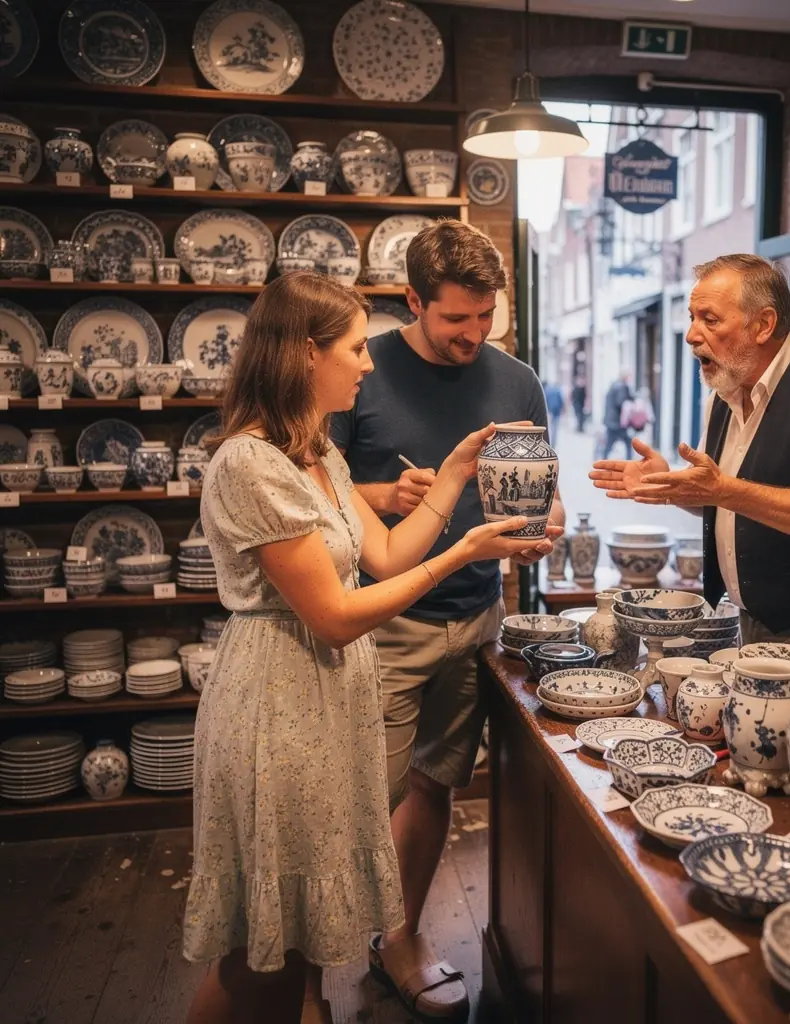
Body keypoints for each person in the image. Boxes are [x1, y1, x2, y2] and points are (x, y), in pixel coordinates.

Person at [182, 272, 541, 1024]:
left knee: (297, 922)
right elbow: (338, 616)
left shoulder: (315, 452)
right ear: (305, 356)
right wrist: (462, 554)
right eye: (353, 349)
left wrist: (452, 478)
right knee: (258, 953)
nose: (368, 364)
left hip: (322, 698)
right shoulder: (252, 464)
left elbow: (383, 554)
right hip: (278, 703)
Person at [332, 220, 564, 1021]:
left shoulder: (517, 380)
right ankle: (313, 958)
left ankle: (399, 941)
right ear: (412, 302)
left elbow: (544, 484)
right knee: (365, 796)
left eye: (486, 314)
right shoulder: (357, 367)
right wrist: (382, 497)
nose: (474, 333)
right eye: (455, 318)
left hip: (477, 617)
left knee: (436, 781)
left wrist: (544, 528)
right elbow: (307, 484)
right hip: (379, 618)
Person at [590, 253, 790, 645]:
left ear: (763, 324)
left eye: (710, 319)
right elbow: (715, 492)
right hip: (755, 622)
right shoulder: (724, 395)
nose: (691, 334)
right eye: (691, 317)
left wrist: (724, 490)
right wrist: (670, 485)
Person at [601, 371, 633, 459]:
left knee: (609, 443)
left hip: (610, 420)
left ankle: (603, 460)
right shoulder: (622, 387)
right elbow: (620, 402)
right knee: (628, 442)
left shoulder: (613, 386)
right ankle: (629, 461)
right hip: (616, 421)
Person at [543, 379, 565, 447]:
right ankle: (553, 443)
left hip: (549, 411)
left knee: (549, 428)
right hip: (556, 411)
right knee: (555, 428)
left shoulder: (547, 391)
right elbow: (561, 401)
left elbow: (545, 401)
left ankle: (548, 442)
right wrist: (563, 409)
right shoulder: (558, 390)